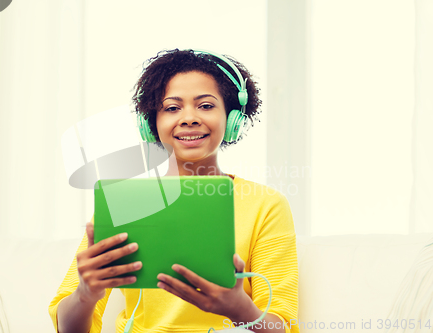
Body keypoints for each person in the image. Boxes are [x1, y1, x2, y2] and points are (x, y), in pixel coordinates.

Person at [49, 49, 299, 333]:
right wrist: (85, 294)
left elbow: (282, 327)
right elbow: (66, 328)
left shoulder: (266, 204)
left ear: (232, 119)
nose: (189, 118)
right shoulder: (125, 203)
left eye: (205, 106)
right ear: (150, 123)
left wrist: (240, 310)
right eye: (172, 108)